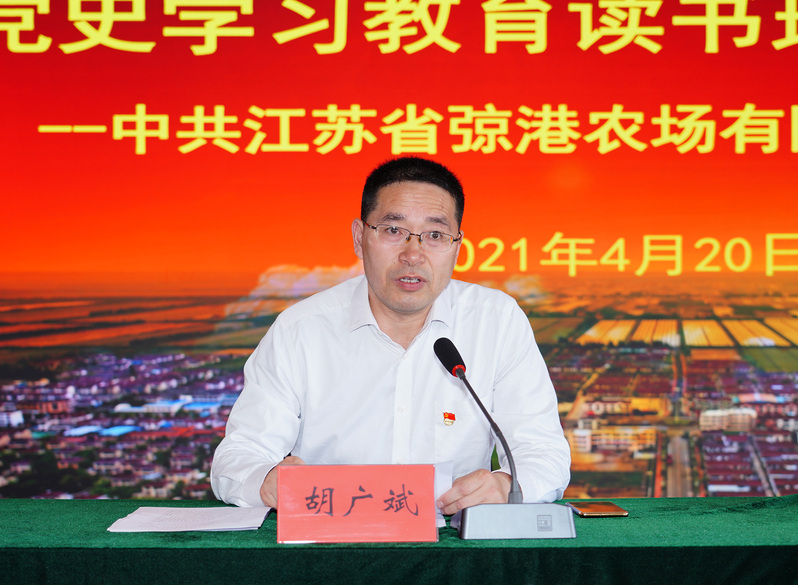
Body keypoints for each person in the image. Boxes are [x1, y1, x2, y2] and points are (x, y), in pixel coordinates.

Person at [210, 156, 570, 514]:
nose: (413, 255)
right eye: (393, 231)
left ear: (457, 247)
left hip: (452, 539)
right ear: (359, 238)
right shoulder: (300, 329)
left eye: (435, 235)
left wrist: (506, 485)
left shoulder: (497, 321)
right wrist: (267, 481)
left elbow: (543, 452)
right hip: (330, 536)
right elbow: (239, 457)